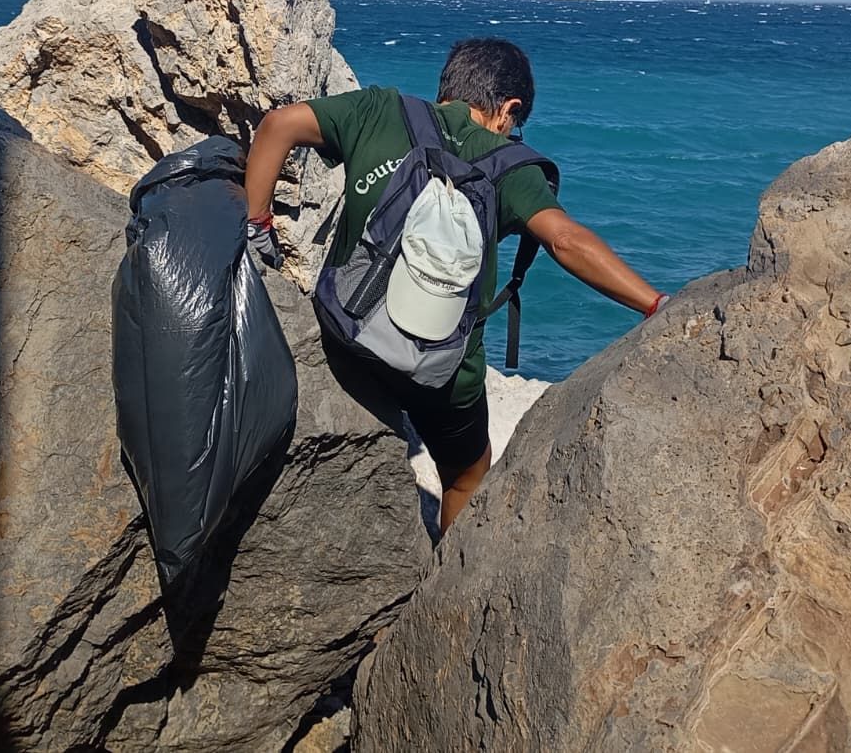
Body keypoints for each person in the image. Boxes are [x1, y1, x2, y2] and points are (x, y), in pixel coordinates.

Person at [243, 38, 665, 533]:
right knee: (468, 473)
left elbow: (278, 125)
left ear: (448, 85)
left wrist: (258, 228)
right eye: (517, 122)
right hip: (439, 376)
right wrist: (654, 302)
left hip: (345, 334)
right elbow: (567, 241)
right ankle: (446, 573)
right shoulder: (514, 166)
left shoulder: (380, 109)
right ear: (508, 110)